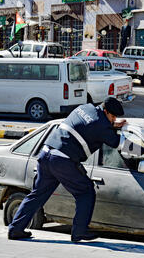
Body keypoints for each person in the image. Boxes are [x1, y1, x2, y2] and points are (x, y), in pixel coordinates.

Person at [7, 97, 127, 242]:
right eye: (112, 116)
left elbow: (87, 125)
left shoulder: (85, 108)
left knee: (37, 194)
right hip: (62, 160)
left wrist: (112, 125)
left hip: (46, 153)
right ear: (106, 111)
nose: (113, 119)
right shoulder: (101, 125)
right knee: (86, 192)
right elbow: (119, 143)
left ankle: (15, 229)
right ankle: (79, 232)